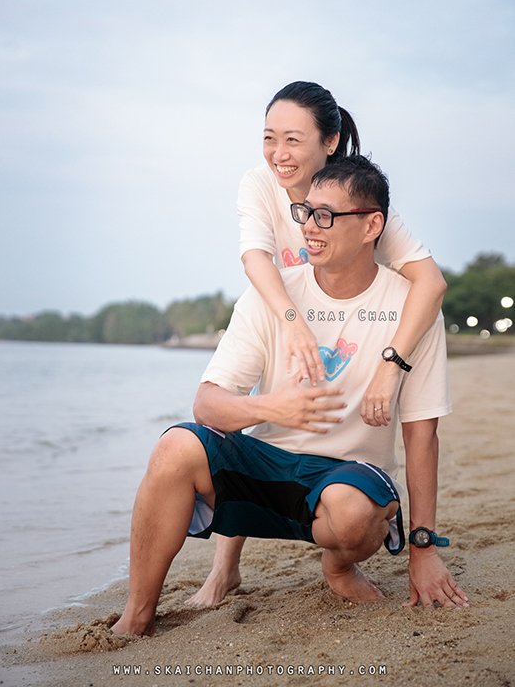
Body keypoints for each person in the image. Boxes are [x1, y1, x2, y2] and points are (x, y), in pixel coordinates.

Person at [111, 155, 467, 637]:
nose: (310, 228)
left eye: (326, 216)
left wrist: (423, 549)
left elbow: (423, 432)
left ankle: (338, 567)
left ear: (372, 226)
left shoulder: (410, 308)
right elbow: (207, 404)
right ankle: (137, 617)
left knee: (354, 513)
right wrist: (269, 408)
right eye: (306, 213)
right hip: (268, 469)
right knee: (176, 446)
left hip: (349, 479)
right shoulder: (271, 295)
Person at [187, 81, 448, 607]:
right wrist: (292, 322)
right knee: (257, 418)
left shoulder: (353, 198)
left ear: (329, 143)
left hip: (350, 316)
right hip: (283, 311)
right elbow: (255, 257)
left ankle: (340, 558)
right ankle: (224, 568)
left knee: (337, 458)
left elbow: (431, 282)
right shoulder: (259, 184)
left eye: (293, 140)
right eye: (269, 138)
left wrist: (391, 363)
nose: (279, 154)